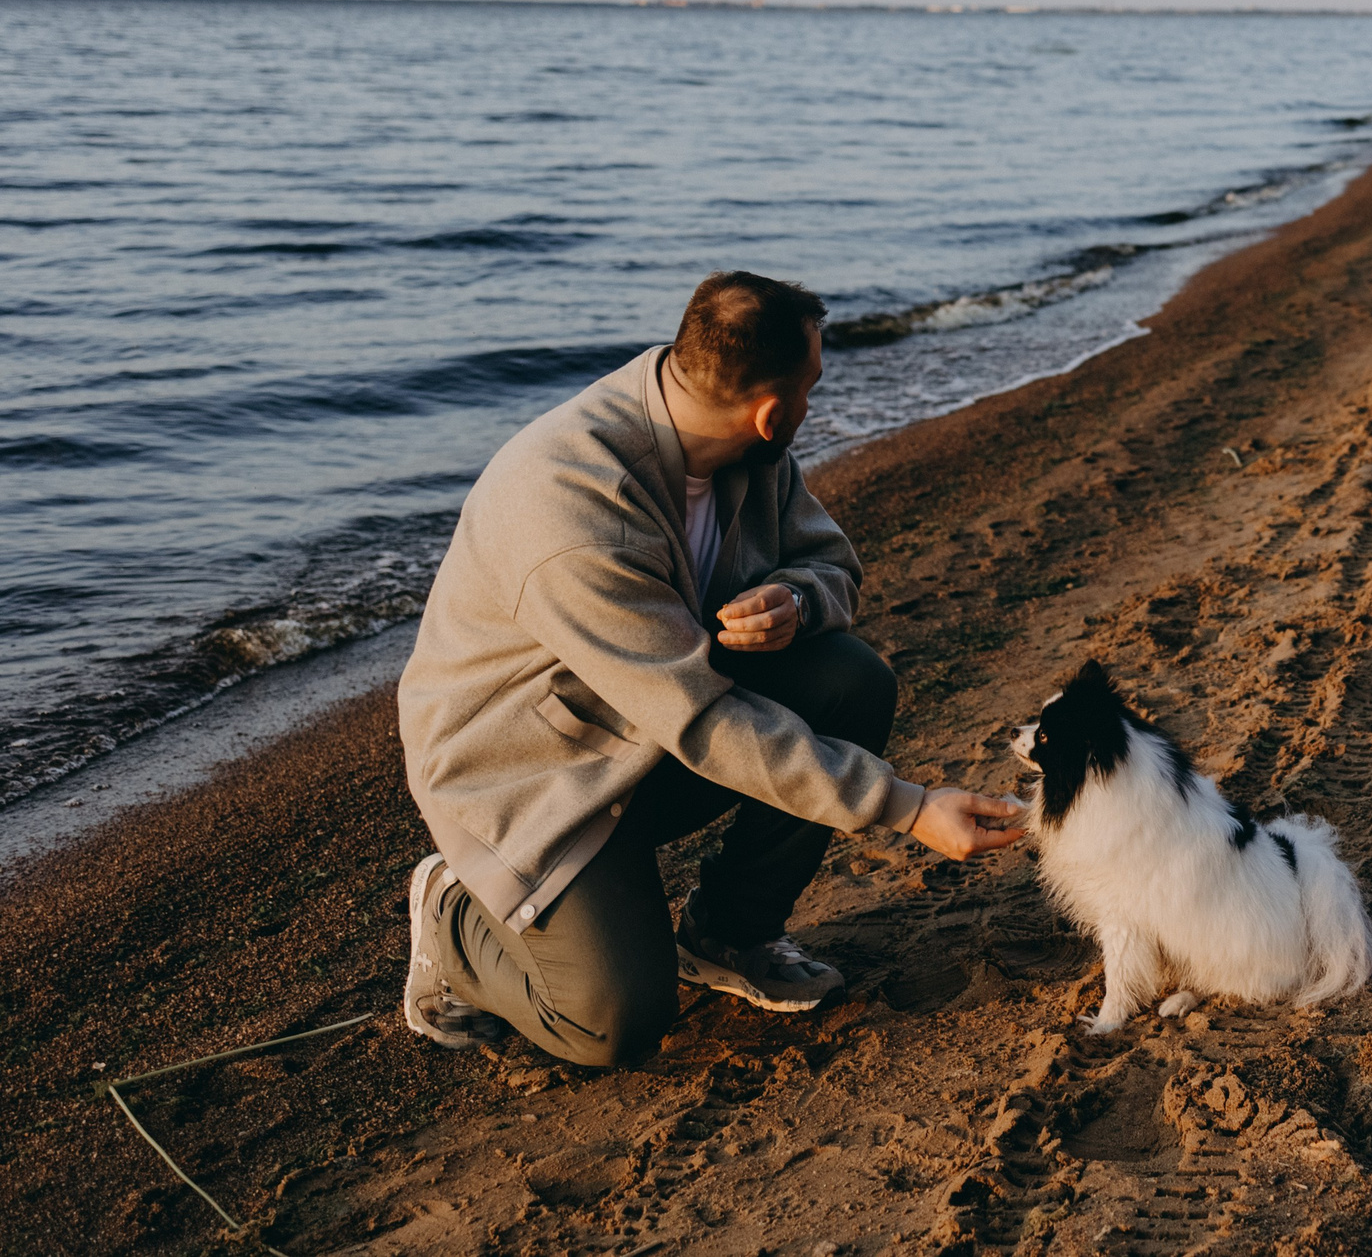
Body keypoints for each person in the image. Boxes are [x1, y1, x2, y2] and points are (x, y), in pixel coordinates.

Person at [397, 270, 1025, 1067]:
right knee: (612, 1023)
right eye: (812, 385)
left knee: (851, 681)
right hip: (531, 772)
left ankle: (729, 933)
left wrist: (797, 602)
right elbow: (703, 720)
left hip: (652, 725)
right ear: (770, 408)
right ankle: (452, 913)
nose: (814, 400)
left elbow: (833, 563)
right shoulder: (569, 508)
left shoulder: (748, 447)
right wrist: (907, 806)